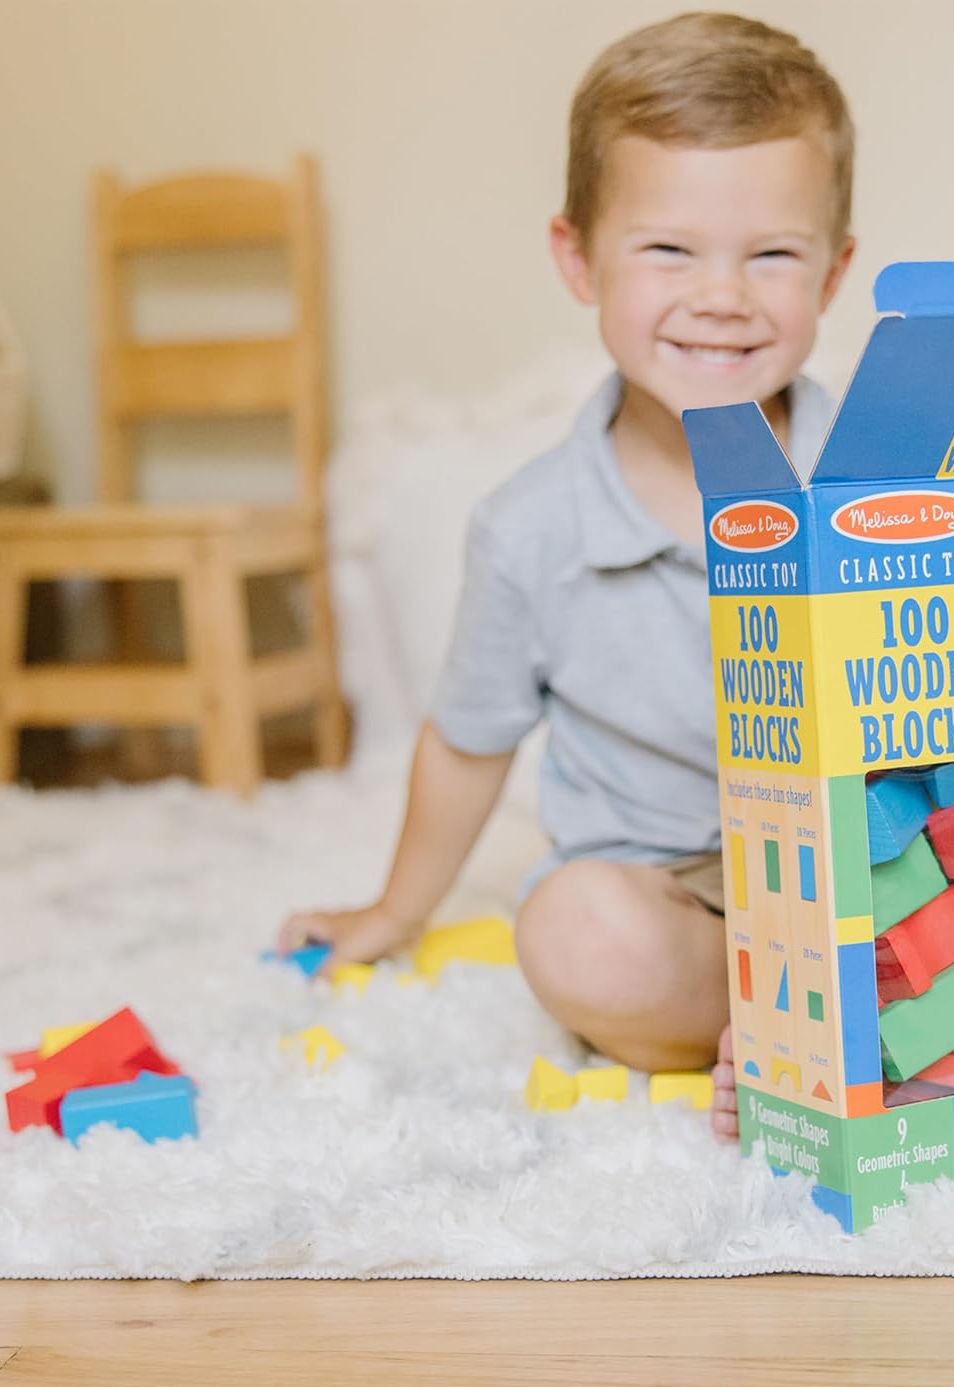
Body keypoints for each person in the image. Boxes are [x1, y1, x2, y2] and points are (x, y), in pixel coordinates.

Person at [278, 11, 855, 1142]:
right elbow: (467, 738)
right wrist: (397, 911)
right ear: (577, 258)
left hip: (869, 867)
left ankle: (866, 1004)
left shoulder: (890, 480)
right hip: (672, 886)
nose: (722, 295)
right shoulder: (529, 530)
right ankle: (779, 1022)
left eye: (772, 254)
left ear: (834, 274)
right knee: (574, 932)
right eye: (668, 250)